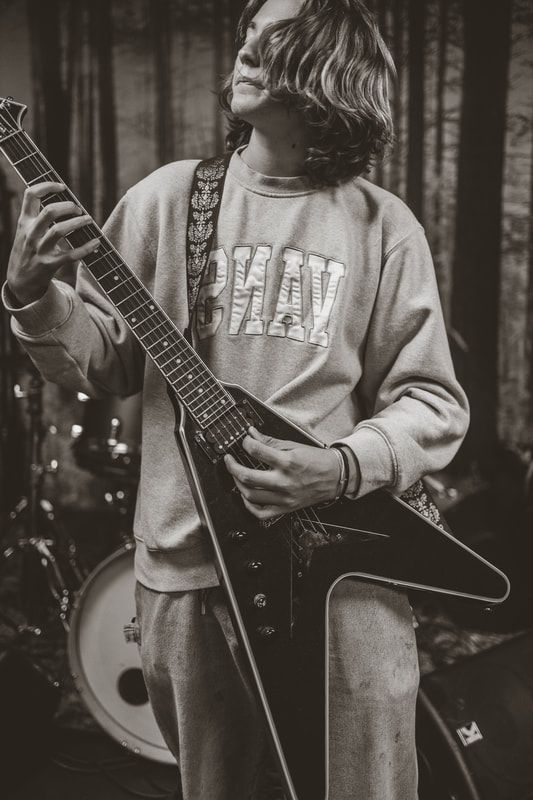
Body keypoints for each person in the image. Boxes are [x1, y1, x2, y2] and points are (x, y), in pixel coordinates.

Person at [3, 0, 469, 798]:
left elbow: (429, 399)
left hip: (338, 575)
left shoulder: (381, 226)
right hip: (185, 570)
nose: (246, 48)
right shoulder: (165, 199)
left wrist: (340, 469)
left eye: (273, 35)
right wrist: (30, 291)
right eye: (247, 32)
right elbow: (107, 363)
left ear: (328, 64)